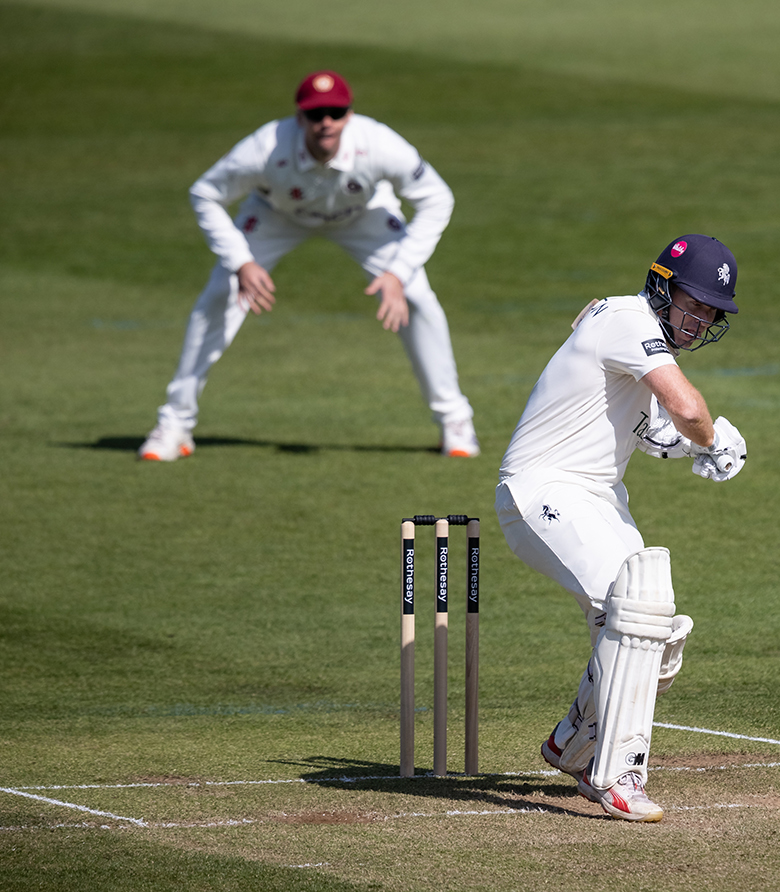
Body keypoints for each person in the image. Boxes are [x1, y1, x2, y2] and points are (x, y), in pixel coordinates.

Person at [495, 234, 748, 822]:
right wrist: (711, 439)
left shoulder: (635, 333)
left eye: (712, 312)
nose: (701, 319)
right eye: (695, 302)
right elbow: (686, 411)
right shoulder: (631, 320)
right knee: (636, 610)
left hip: (600, 498)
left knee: (653, 623)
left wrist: (700, 447)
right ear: (662, 285)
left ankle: (573, 742)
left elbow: (660, 435)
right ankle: (616, 776)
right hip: (543, 490)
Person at [138, 71, 479, 461]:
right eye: (316, 114)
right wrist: (241, 262)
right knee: (221, 293)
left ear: (349, 115)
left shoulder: (380, 144)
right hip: (276, 216)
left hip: (363, 215)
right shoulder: (263, 149)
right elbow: (205, 193)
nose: (326, 122)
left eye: (336, 112)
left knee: (416, 298)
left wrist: (397, 273)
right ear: (299, 118)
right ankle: (175, 424)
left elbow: (437, 197)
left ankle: (455, 420)